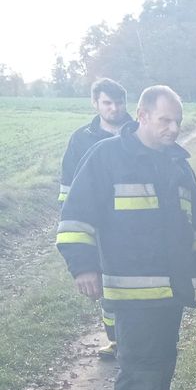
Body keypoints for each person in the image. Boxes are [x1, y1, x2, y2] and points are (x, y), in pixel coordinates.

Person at [56, 85, 196, 390]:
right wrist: (83, 266)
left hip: (172, 288)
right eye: (165, 120)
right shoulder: (107, 157)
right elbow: (76, 217)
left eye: (177, 121)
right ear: (142, 115)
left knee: (163, 358)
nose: (174, 129)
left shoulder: (179, 165)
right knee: (140, 364)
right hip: (131, 291)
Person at [59, 77, 134, 359]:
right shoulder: (80, 140)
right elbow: (68, 186)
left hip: (133, 225)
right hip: (97, 226)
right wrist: (69, 224)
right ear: (95, 103)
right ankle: (115, 340)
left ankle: (134, 338)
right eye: (107, 102)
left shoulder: (138, 133)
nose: (114, 108)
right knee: (106, 285)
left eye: (119, 102)